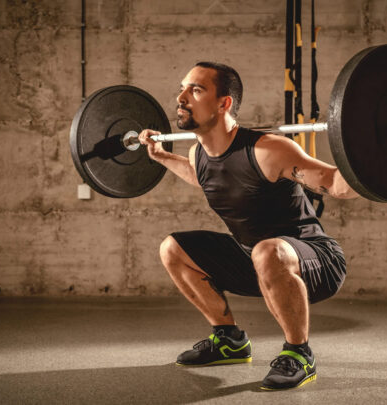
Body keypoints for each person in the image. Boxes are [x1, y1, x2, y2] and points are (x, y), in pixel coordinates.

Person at [138, 61, 359, 390]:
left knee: (267, 250)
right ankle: (229, 339)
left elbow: (336, 183)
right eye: (182, 88)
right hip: (255, 259)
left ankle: (300, 354)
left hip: (316, 260)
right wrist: (162, 156)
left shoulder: (268, 150)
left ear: (223, 103)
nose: (181, 97)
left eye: (196, 90)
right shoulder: (200, 154)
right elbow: (208, 180)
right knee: (173, 249)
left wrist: (370, 156)